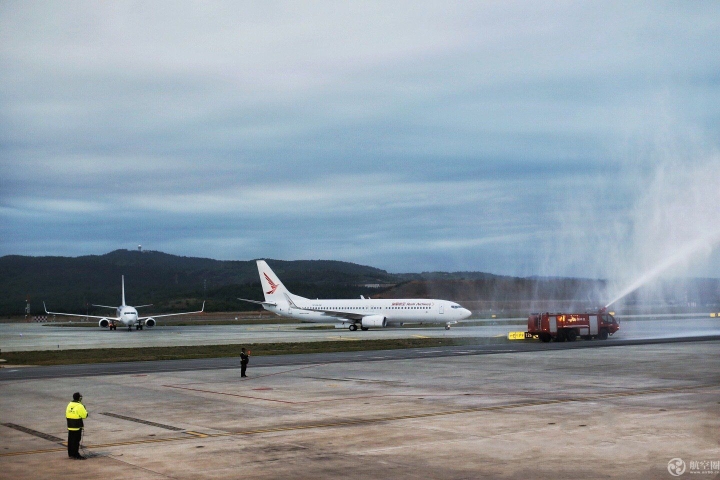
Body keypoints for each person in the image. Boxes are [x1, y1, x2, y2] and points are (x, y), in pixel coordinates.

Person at [66, 392, 88, 459]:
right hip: (77, 426)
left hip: (70, 425)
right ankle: (76, 454)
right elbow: (84, 415)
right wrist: (84, 409)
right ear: (79, 398)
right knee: (76, 440)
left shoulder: (69, 404)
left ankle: (71, 454)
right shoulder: (79, 406)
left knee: (70, 440)